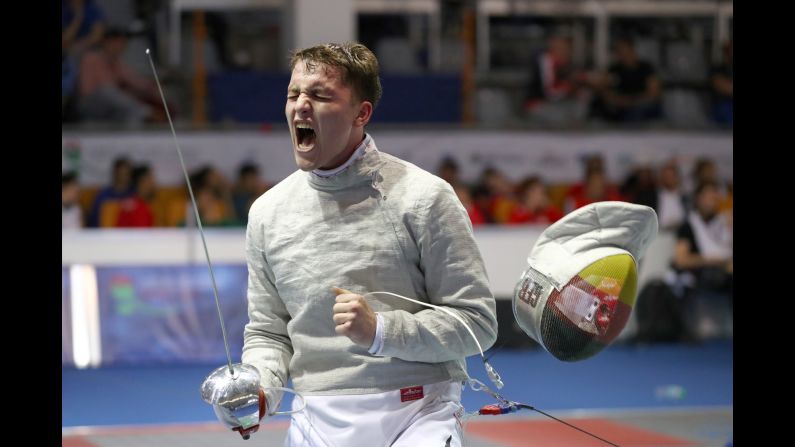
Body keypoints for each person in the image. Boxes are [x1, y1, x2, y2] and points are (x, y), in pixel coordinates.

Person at [241, 42, 497, 446]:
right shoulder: (267, 213)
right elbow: (269, 333)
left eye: (320, 95)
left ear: (361, 113)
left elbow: (477, 323)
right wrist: (259, 389)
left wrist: (382, 330)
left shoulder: (425, 197)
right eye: (294, 94)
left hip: (418, 412)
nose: (301, 106)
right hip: (315, 419)